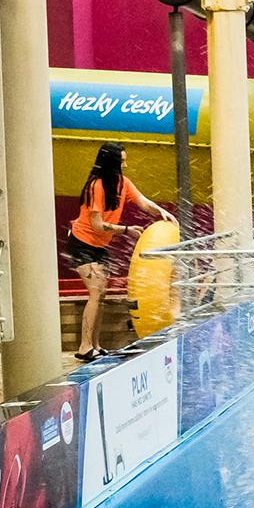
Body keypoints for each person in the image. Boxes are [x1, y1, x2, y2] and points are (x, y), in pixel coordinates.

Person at [65, 142, 175, 361]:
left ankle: (95, 345)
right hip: (82, 243)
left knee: (101, 295)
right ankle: (85, 346)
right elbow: (97, 225)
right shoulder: (96, 186)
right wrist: (126, 230)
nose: (125, 163)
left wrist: (162, 211)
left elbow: (143, 202)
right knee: (96, 293)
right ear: (110, 163)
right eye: (121, 160)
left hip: (100, 246)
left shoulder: (123, 183)